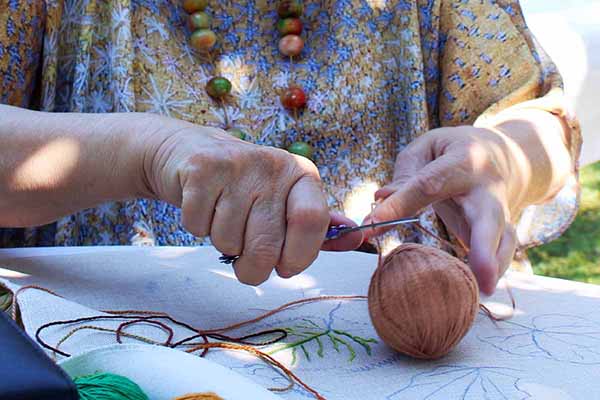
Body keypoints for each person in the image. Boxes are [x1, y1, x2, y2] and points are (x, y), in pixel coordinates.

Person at [0, 0, 580, 295]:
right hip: (112, 360)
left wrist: (504, 158)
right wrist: (146, 149)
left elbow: (536, 117)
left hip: (401, 365)